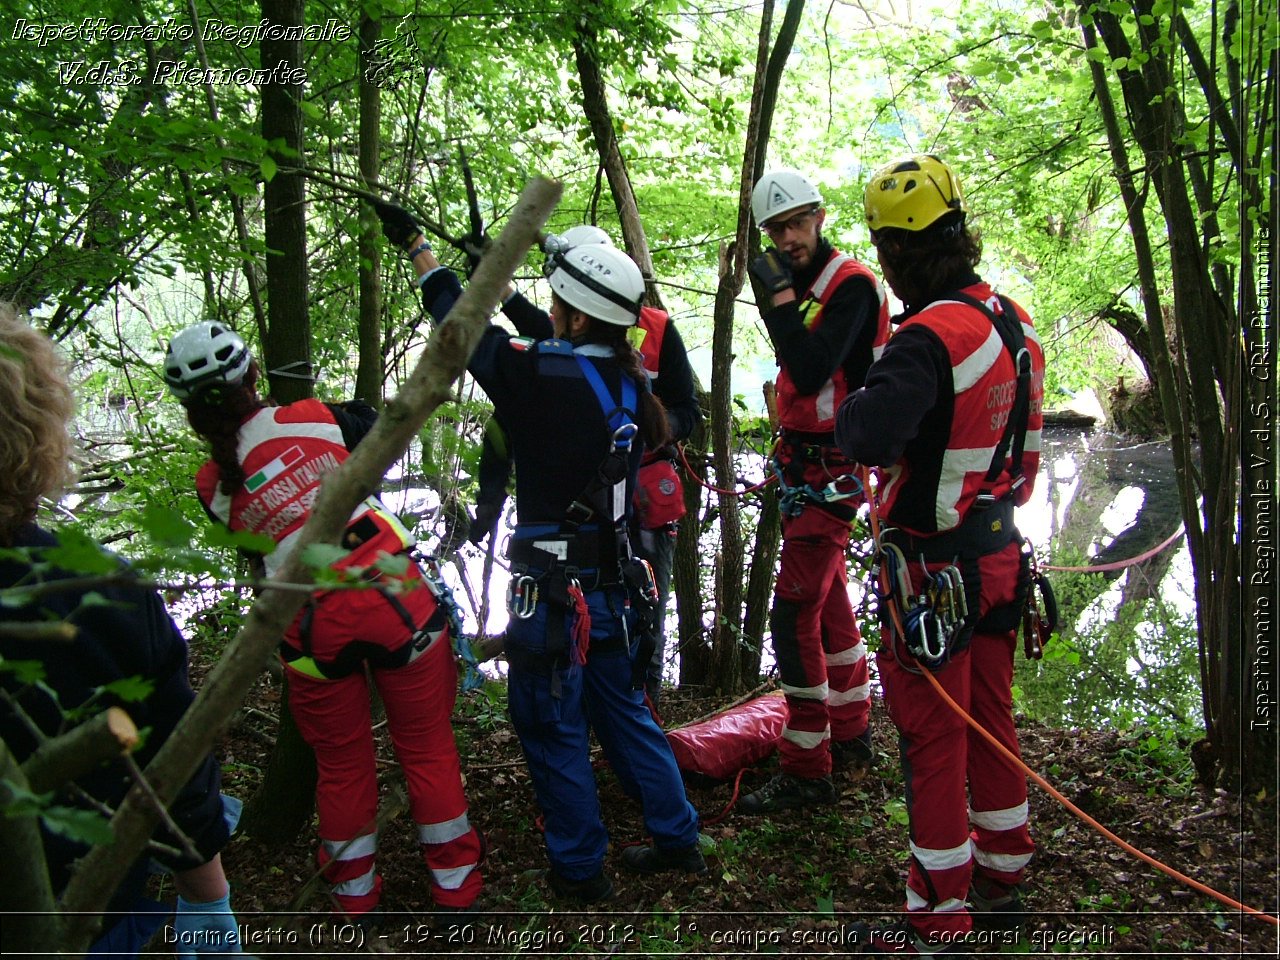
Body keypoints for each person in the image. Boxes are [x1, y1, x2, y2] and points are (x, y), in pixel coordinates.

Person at [373, 201, 705, 900]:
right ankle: (678, 837)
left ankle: (580, 871)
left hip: (554, 599)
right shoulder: (629, 384)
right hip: (611, 589)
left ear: (578, 317)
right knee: (626, 715)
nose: (551, 312)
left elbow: (463, 331)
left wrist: (418, 248)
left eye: (558, 304)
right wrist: (491, 270)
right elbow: (512, 336)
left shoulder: (539, 377)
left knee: (552, 727)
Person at [163, 321, 483, 921]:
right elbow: (372, 424)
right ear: (252, 375)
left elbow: (253, 537)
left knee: (341, 767)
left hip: (312, 632)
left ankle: (353, 898)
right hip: (395, 604)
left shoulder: (213, 486)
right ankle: (457, 889)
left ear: (191, 411)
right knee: (429, 748)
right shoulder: (312, 415)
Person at [835, 154, 1044, 955]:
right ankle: (1004, 871)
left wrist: (863, 392)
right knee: (992, 718)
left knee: (933, 738)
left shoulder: (926, 339)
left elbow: (870, 433)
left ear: (893, 253)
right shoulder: (1010, 319)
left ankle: (936, 919)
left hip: (935, 575)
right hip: (998, 557)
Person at [0, 304, 241, 956]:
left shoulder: (210, 486)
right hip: (89, 911)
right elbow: (174, 759)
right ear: (39, 433)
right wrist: (208, 894)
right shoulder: (103, 596)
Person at [477, 223, 703, 705]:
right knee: (574, 623)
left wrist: (649, 427)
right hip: (581, 511)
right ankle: (591, 718)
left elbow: (689, 409)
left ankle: (642, 711)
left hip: (640, 493)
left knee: (641, 619)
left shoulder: (658, 330)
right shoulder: (567, 342)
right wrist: (496, 282)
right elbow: (545, 335)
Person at [737, 169, 890, 813]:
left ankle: (807, 770)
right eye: (775, 229)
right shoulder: (796, 282)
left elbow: (806, 364)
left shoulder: (851, 287)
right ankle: (851, 729)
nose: (787, 237)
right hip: (804, 464)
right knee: (826, 601)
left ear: (819, 217)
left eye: (795, 223)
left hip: (835, 468)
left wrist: (775, 302)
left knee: (793, 609)